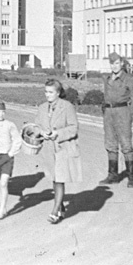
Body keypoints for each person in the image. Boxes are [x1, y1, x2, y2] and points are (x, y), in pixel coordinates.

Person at [34, 79, 82, 223]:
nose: (47, 95)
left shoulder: (67, 107)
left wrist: (58, 133)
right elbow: (36, 126)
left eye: (50, 92)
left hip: (63, 147)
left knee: (60, 179)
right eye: (46, 92)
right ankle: (61, 206)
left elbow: (73, 128)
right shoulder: (42, 107)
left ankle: (55, 211)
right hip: (48, 148)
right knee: (54, 179)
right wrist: (41, 132)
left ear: (58, 93)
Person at [99, 51, 133, 188]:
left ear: (122, 63)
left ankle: (132, 176)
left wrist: (128, 114)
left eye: (117, 63)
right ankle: (113, 175)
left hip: (122, 112)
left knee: (126, 145)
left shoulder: (129, 80)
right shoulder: (107, 79)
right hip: (109, 113)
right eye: (112, 63)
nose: (114, 66)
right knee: (110, 144)